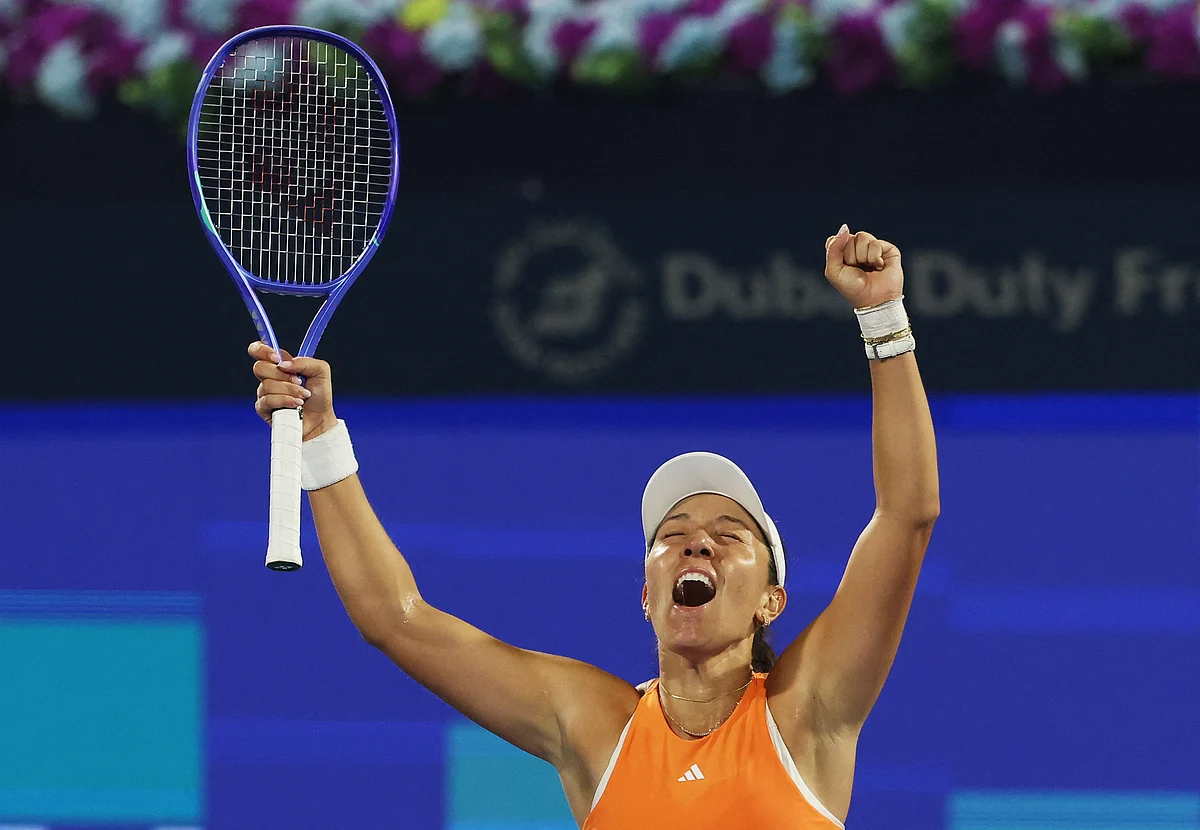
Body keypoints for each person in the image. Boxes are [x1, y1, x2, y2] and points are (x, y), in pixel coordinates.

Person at [247, 225, 938, 828]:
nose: (697, 541)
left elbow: (906, 515)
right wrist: (320, 435)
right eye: (672, 535)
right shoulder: (596, 727)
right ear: (646, 595)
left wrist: (882, 316)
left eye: (730, 535)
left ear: (771, 601)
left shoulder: (807, 711)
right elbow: (396, 620)